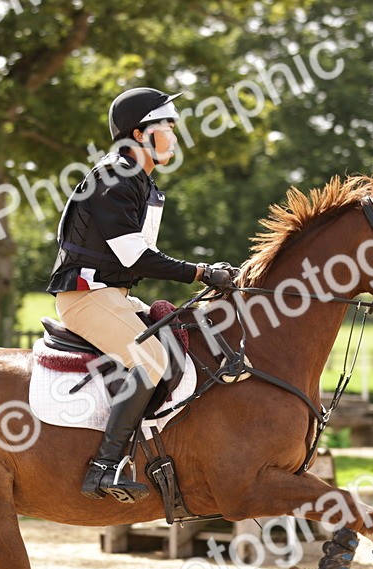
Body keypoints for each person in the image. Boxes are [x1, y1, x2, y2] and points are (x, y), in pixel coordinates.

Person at [46, 87, 237, 503]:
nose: (173, 134)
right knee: (150, 359)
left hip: (111, 295)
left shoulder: (141, 182)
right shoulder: (116, 176)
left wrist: (206, 273)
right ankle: (102, 468)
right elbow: (136, 256)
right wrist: (202, 271)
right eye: (167, 125)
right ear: (140, 133)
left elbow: (138, 259)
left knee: (182, 338)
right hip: (87, 296)